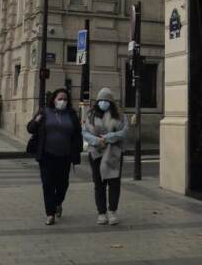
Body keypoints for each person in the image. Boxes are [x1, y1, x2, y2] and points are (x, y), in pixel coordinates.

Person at [27, 88, 82, 225]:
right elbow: (30, 128)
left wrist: (77, 153)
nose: (62, 101)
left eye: (65, 99)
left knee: (63, 184)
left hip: (65, 156)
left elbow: (77, 135)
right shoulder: (44, 112)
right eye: (60, 99)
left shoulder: (71, 114)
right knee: (48, 184)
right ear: (54, 100)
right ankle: (50, 213)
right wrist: (36, 121)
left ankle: (58, 202)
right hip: (46, 155)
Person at [81, 87, 127, 225]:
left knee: (114, 183)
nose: (103, 102)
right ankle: (101, 213)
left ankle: (112, 211)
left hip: (114, 153)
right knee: (99, 184)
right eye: (101, 100)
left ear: (111, 102)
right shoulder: (90, 115)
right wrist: (97, 141)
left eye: (106, 100)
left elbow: (124, 132)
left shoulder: (120, 116)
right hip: (96, 153)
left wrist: (108, 137)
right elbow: (85, 132)